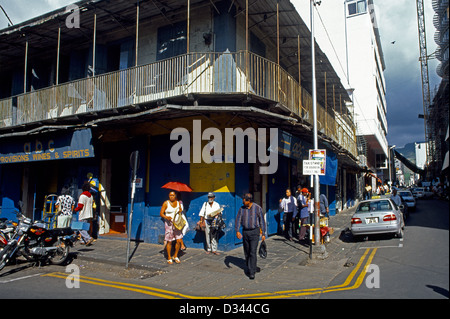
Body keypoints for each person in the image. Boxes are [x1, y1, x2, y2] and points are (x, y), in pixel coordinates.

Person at [235, 193, 266, 280]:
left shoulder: (257, 208)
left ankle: (252, 272)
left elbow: (262, 221)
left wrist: (263, 233)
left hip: (254, 232)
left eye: (244, 200)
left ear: (248, 201)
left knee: (253, 251)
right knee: (247, 251)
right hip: (245, 232)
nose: (242, 201)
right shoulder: (241, 209)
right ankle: (252, 266)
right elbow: (238, 220)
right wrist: (237, 231)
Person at [160, 191, 184, 264]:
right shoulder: (166, 203)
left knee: (179, 241)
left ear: (175, 196)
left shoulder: (178, 203)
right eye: (170, 195)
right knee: (169, 241)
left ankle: (175, 255)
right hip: (169, 224)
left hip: (177, 224)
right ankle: (169, 257)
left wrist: (180, 210)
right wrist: (166, 217)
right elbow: (161, 213)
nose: (171, 197)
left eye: (173, 195)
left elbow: (180, 210)